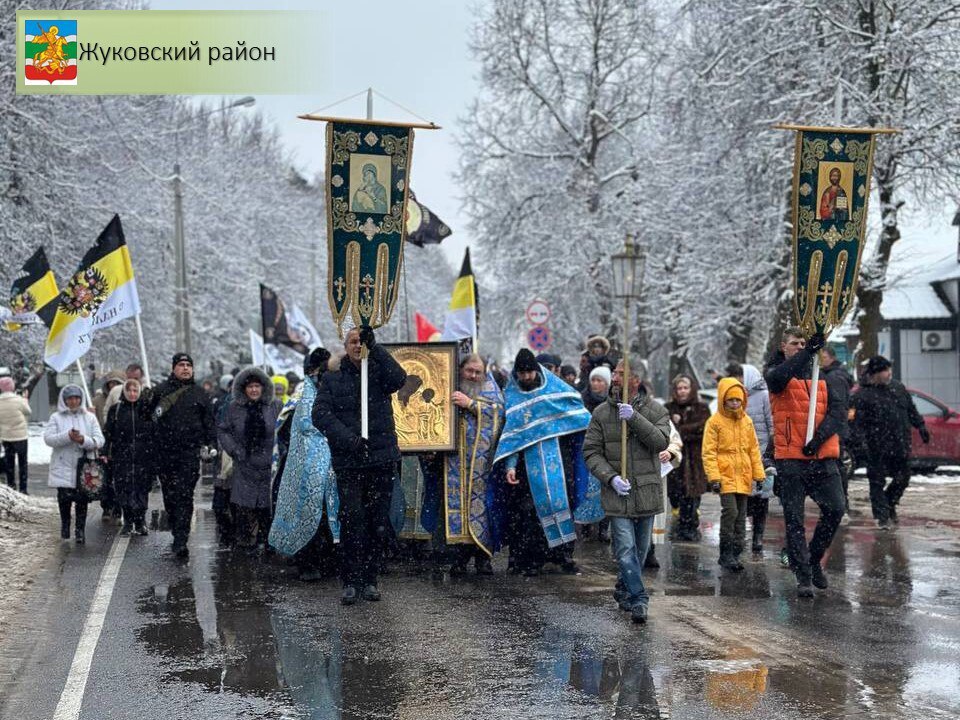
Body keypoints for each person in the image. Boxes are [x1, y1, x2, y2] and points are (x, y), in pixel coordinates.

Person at [312, 326, 407, 605]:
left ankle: (370, 579)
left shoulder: (377, 370)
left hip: (380, 458)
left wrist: (375, 348)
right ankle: (350, 580)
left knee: (378, 520)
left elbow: (399, 379)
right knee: (353, 519)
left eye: (361, 341)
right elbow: (321, 415)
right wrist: (348, 440)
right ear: (345, 345)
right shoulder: (333, 377)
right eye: (353, 341)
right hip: (350, 462)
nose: (357, 346)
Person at [582, 358, 671, 624]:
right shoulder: (601, 413)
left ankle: (624, 587)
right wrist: (610, 478)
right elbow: (591, 452)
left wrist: (635, 419)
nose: (615, 377)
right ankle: (639, 598)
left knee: (641, 550)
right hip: (617, 492)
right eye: (614, 372)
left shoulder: (655, 410)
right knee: (625, 548)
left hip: (645, 491)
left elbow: (660, 441)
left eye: (621, 373)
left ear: (636, 380)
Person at [764, 327, 846, 597]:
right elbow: (779, 378)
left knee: (835, 508)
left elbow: (837, 412)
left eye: (803, 343)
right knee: (794, 520)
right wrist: (809, 351)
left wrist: (818, 439)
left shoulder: (823, 376)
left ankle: (813, 559)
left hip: (822, 457)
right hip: (791, 460)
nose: (800, 347)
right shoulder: (777, 372)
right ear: (784, 346)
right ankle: (802, 575)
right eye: (795, 343)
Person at [495, 349, 591, 578]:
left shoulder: (556, 390)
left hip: (559, 459)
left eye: (530, 372)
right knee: (527, 513)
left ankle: (561, 556)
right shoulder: (512, 397)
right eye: (522, 374)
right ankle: (527, 559)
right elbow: (512, 437)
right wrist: (509, 466)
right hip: (525, 467)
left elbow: (578, 415)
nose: (526, 377)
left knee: (561, 506)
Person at [420, 354, 505, 576]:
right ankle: (458, 556)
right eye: (470, 371)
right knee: (454, 508)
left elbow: (499, 413)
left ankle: (483, 557)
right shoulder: (448, 386)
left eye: (478, 372)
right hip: (453, 463)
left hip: (482, 464)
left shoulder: (491, 389)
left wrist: (471, 405)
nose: (474, 375)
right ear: (461, 370)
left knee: (481, 508)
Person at [270, 347, 340, 581]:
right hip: (305, 466)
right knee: (307, 510)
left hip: (333, 466)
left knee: (332, 511)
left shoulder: (334, 391)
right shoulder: (301, 395)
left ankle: (329, 559)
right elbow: (291, 430)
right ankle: (306, 560)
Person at [149, 353, 217, 558]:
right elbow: (148, 420)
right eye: (181, 365)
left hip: (188, 454)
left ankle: (181, 538)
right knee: (170, 496)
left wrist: (210, 444)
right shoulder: (160, 392)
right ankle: (176, 527)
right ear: (173, 368)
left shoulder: (200, 394)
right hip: (165, 453)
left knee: (185, 495)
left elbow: (209, 424)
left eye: (188, 365)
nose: (185, 368)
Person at [851, 355, 929, 528]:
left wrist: (921, 426)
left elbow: (911, 409)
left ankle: (889, 503)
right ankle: (882, 518)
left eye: (889, 369)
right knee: (877, 483)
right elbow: (855, 424)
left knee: (903, 478)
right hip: (876, 448)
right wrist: (861, 443)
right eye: (884, 370)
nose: (889, 373)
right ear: (874, 374)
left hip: (900, 444)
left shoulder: (898, 388)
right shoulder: (862, 395)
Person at [702, 377, 766, 571]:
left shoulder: (746, 421)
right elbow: (709, 452)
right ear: (723, 400)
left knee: (741, 515)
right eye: (731, 400)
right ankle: (726, 552)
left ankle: (736, 550)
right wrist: (714, 477)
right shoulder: (715, 422)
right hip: (725, 475)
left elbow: (753, 449)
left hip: (744, 475)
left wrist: (759, 474)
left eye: (738, 400)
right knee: (730, 512)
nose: (735, 403)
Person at [218, 367, 279, 554]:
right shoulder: (234, 407)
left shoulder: (275, 405)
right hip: (245, 464)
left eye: (257, 386)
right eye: (250, 386)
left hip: (269, 464)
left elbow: (283, 428)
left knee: (267, 505)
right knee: (245, 506)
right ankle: (247, 541)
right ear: (244, 389)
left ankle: (268, 540)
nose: (254, 390)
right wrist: (235, 450)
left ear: (263, 388)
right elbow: (223, 430)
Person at [44, 385, 104, 544]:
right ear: (64, 400)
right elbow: (49, 439)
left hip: (83, 467)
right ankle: (65, 527)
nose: (73, 401)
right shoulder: (56, 418)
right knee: (64, 499)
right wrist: (68, 436)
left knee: (82, 500)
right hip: (63, 465)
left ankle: (80, 530)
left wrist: (83, 440)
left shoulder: (89, 418)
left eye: (76, 398)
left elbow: (99, 440)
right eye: (70, 398)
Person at [103, 379, 154, 536]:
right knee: (124, 487)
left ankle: (140, 521)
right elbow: (108, 433)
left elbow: (154, 432)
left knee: (141, 487)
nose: (132, 394)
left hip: (143, 455)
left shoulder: (146, 409)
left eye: (135, 390)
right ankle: (128, 521)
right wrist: (104, 451)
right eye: (129, 390)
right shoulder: (116, 410)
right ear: (124, 392)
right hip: (122, 455)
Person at [664, 375, 710, 542]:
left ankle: (690, 526)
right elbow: (665, 432)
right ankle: (681, 525)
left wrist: (680, 426)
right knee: (676, 495)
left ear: (691, 389)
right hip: (675, 459)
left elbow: (702, 429)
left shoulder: (701, 408)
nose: (682, 391)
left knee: (692, 495)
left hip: (694, 459)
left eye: (685, 388)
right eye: (679, 388)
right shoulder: (668, 408)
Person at [741, 364, 775, 553]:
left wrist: (768, 452)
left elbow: (771, 424)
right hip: (741, 454)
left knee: (761, 497)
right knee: (743, 496)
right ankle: (741, 535)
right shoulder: (738, 396)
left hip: (761, 453)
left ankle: (758, 537)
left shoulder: (763, 396)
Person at [819, 346, 854, 511]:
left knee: (836, 468)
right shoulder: (835, 375)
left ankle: (840, 504)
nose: (821, 360)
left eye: (823, 357)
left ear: (831, 358)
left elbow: (838, 407)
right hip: (836, 428)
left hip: (834, 429)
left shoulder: (834, 377)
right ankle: (838, 503)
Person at [0, 376, 31, 493]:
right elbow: (28, 411)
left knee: (10, 464)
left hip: (6, 437)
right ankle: (23, 489)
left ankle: (11, 488)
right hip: (21, 437)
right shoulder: (19, 400)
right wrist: (25, 399)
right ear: (12, 387)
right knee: (23, 464)